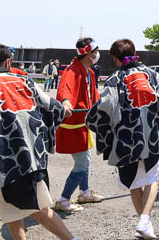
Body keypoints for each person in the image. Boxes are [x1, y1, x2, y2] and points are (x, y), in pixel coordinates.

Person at [0, 44, 78, 240]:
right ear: (8, 62)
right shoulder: (25, 80)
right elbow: (49, 106)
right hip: (33, 154)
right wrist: (63, 110)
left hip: (7, 158)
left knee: (35, 207)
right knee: (11, 208)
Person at [85, 39, 159, 239]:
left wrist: (90, 119)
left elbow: (104, 107)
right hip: (150, 137)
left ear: (115, 58)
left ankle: (144, 222)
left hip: (125, 139)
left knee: (133, 182)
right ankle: (145, 221)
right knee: (152, 179)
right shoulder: (152, 74)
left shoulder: (115, 79)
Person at [54, 37, 103, 212]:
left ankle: (84, 192)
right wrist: (66, 102)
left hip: (83, 123)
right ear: (89, 54)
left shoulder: (89, 71)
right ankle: (63, 200)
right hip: (73, 124)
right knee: (82, 163)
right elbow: (65, 89)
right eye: (96, 52)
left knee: (85, 158)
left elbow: (94, 95)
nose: (98, 54)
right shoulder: (72, 70)